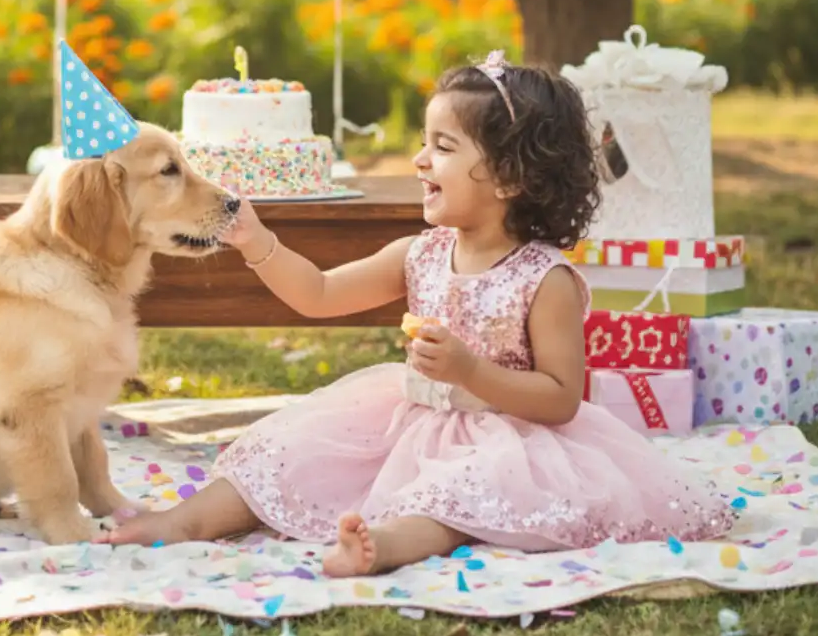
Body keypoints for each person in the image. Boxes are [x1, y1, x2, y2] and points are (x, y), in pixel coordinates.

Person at [103, 52, 733, 576]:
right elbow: (319, 293)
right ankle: (187, 520)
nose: (420, 160)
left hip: (506, 438)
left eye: (443, 147)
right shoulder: (419, 255)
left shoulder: (547, 280)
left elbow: (561, 398)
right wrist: (256, 241)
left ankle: (380, 549)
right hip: (405, 421)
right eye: (425, 144)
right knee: (284, 456)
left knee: (450, 500)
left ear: (509, 178)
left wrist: (469, 371)